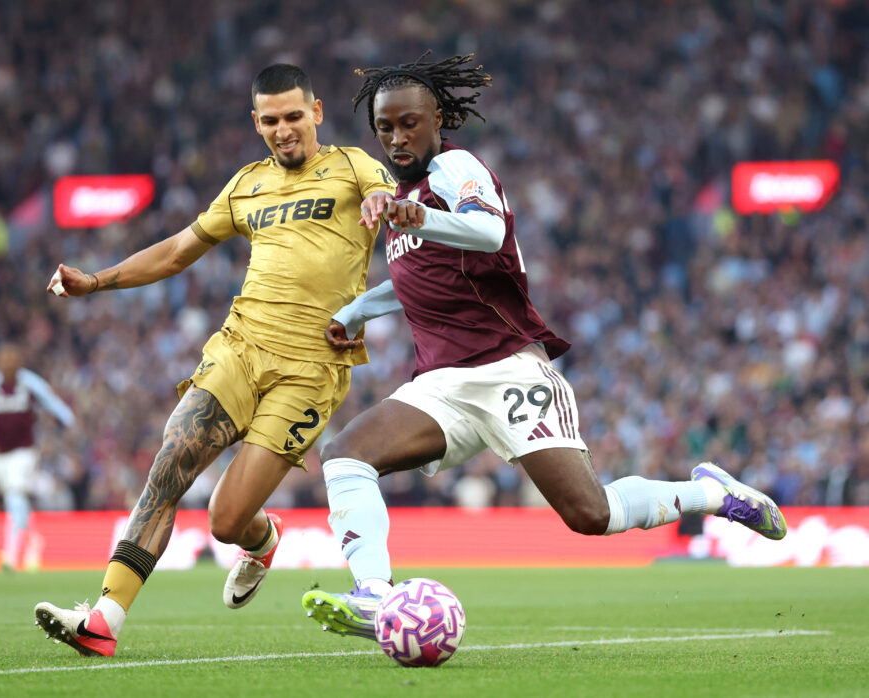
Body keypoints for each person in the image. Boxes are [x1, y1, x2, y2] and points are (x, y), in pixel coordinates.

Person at [300, 53, 787, 640]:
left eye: (410, 123)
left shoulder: (455, 167)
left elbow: (489, 231)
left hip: (510, 372)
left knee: (591, 514)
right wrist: (355, 310)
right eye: (385, 127)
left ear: (437, 119)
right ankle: (375, 595)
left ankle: (712, 493)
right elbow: (414, 281)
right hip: (443, 384)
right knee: (346, 455)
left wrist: (413, 215)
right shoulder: (411, 197)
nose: (397, 137)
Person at [33, 64, 396, 657]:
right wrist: (95, 281)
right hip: (240, 346)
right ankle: (104, 619)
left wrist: (384, 199)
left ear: (317, 113)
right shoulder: (246, 185)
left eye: (295, 116)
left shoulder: (353, 166)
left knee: (226, 522)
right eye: (272, 120)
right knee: (172, 460)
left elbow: (386, 188)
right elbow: (178, 251)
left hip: (310, 369)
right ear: (257, 123)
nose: (284, 130)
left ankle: (262, 537)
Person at [0, 343, 75, 571]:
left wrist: (68, 418)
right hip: (0, 454)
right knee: (16, 498)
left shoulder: (28, 382)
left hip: (25, 452)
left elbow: (49, 399)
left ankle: (11, 554)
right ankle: (33, 540)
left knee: (14, 495)